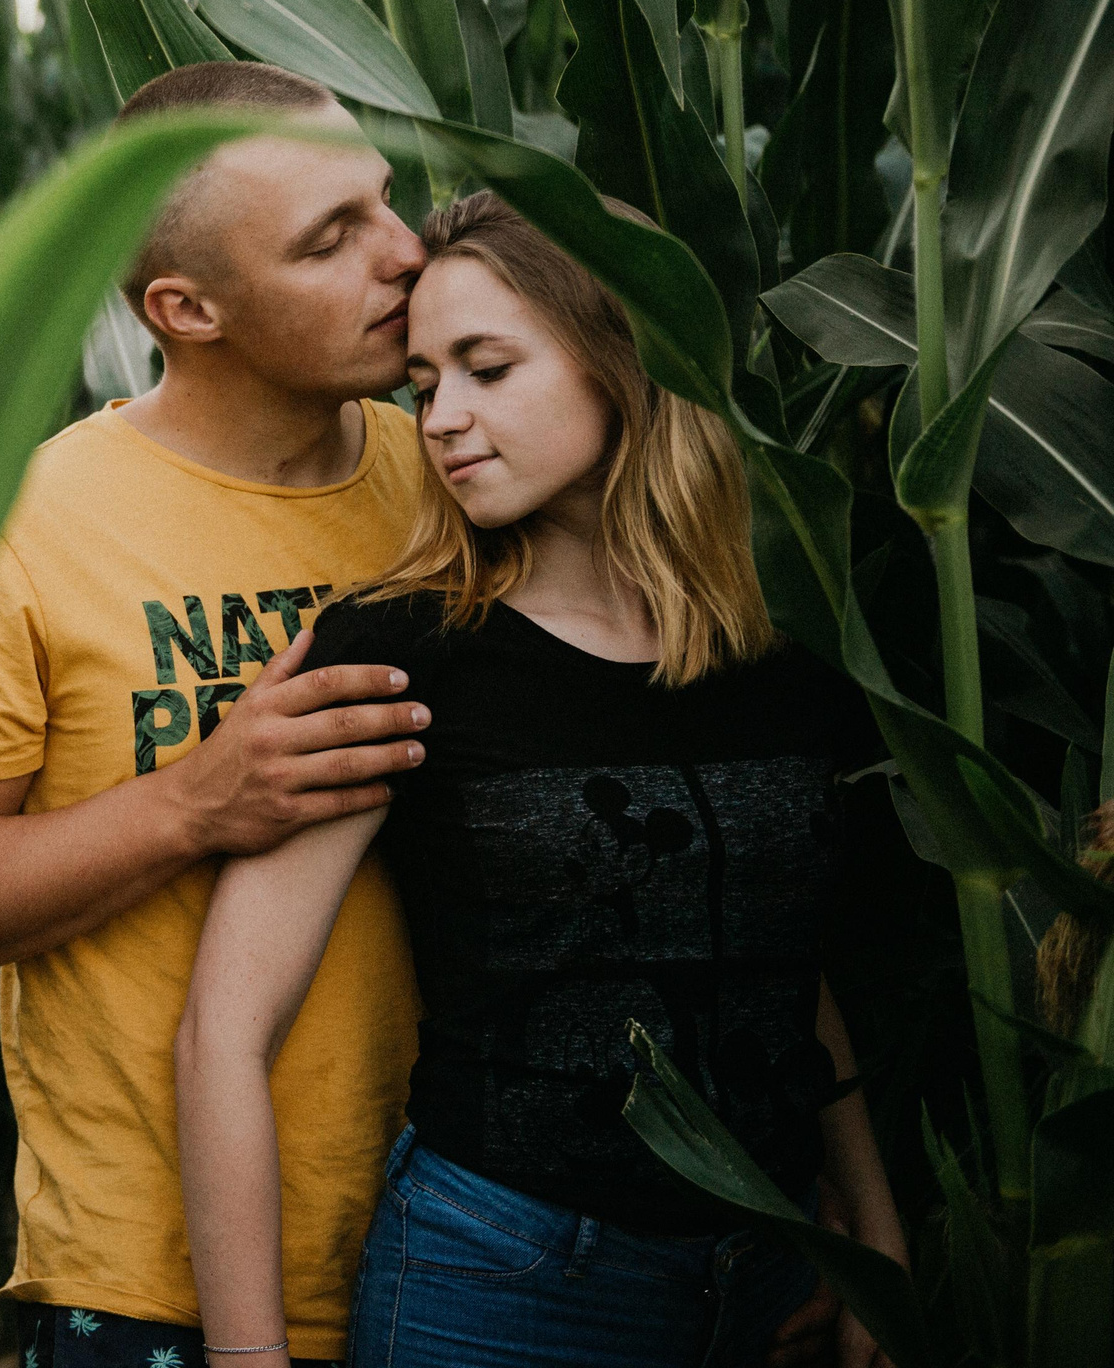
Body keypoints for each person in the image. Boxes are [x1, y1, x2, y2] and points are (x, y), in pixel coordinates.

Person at [173, 192, 909, 1368]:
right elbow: (224, 1028)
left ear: (627, 359)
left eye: (487, 368)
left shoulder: (784, 645)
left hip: (772, 1283)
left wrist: (872, 1236)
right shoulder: (398, 653)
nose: (443, 420)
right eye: (423, 385)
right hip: (504, 1282)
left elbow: (783, 961)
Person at [0, 61, 435, 1367]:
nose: (404, 257)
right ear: (186, 307)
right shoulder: (29, 525)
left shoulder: (456, 480)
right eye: (330, 240)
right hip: (153, 1285)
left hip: (460, 1256)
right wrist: (194, 802)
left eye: (389, 203)